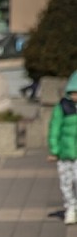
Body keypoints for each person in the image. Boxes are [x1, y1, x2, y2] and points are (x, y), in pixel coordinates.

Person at [47, 70, 77, 225]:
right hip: (65, 154)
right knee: (66, 182)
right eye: (73, 93)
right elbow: (55, 129)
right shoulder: (63, 107)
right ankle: (70, 207)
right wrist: (54, 150)